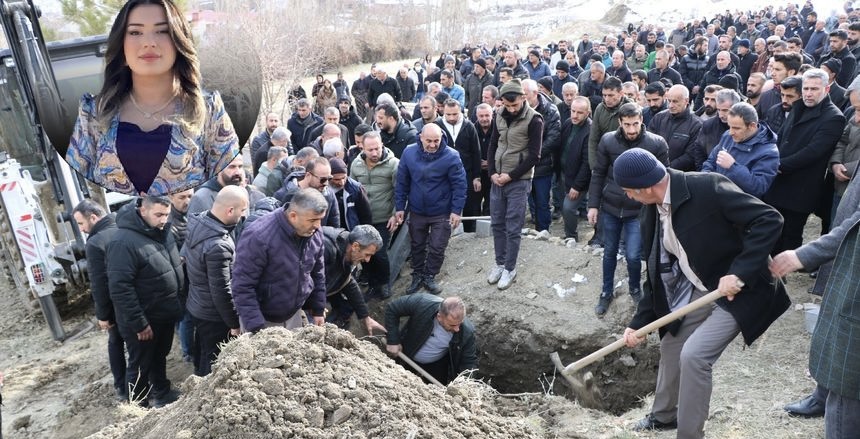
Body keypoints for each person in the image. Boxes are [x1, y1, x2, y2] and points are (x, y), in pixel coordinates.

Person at [615, 148, 788, 438]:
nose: (628, 197)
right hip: (702, 287)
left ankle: (689, 434)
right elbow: (655, 274)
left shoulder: (707, 187)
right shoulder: (651, 212)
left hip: (741, 292)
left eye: (628, 191)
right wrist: (639, 322)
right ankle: (664, 416)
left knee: (694, 356)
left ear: (644, 187)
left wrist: (740, 272)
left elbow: (769, 219)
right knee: (672, 342)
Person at [65, 0, 239, 196]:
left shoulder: (207, 109)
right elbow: (77, 185)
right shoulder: (94, 112)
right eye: (135, 32)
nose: (149, 42)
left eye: (162, 31)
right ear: (121, 46)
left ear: (178, 41)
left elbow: (229, 182)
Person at [770, 161, 860, 431]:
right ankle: (822, 395)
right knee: (835, 336)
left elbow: (855, 225)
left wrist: (804, 255)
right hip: (844, 258)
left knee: (846, 366)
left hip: (853, 266)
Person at [588, 103, 669, 316]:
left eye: (635, 124)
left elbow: (665, 179)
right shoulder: (608, 141)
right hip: (610, 207)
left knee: (633, 255)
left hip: (638, 210)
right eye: (627, 125)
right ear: (620, 123)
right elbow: (598, 173)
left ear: (641, 120)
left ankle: (634, 288)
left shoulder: (656, 143)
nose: (631, 129)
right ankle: (606, 291)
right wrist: (593, 205)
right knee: (609, 252)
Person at [107, 196, 183, 407]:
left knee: (159, 355)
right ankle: (138, 407)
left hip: (163, 312)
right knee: (140, 364)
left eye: (167, 215)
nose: (163, 220)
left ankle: (161, 392)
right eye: (158, 215)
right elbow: (120, 288)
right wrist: (139, 323)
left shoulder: (162, 232)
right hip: (143, 319)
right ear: (142, 211)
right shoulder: (122, 242)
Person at [764, 69, 846, 255]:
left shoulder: (834, 117)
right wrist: (772, 160)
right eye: (806, 88)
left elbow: (814, 152)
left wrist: (779, 165)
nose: (809, 93)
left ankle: (784, 272)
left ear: (826, 89)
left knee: (790, 236)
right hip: (778, 181)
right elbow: (781, 137)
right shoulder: (797, 106)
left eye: (814, 89)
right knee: (772, 232)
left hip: (801, 187)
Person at [231, 188, 328, 332]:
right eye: (313, 220)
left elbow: (317, 272)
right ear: (293, 215)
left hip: (294, 314)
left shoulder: (314, 232)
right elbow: (242, 286)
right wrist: (257, 328)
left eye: (320, 219)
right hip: (262, 319)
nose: (318, 225)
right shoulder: (259, 236)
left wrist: (318, 308)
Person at [181, 186, 248, 376]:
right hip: (214, 314)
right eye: (242, 210)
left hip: (197, 304)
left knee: (203, 348)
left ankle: (197, 378)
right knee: (214, 361)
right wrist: (234, 323)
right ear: (230, 210)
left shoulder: (199, 222)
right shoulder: (218, 245)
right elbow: (221, 291)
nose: (244, 216)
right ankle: (203, 387)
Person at [395, 124, 467, 295]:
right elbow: (402, 182)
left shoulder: (451, 156)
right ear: (421, 137)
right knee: (417, 245)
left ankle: (430, 275)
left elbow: (460, 185)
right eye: (429, 141)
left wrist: (456, 210)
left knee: (437, 246)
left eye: (436, 141)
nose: (433, 145)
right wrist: (400, 207)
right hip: (417, 210)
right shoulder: (409, 153)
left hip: (441, 211)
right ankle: (417, 274)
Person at [486, 79, 543, 290]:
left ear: (523, 98)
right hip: (497, 179)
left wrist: (510, 176)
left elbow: (535, 155)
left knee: (513, 225)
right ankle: (500, 263)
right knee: (497, 223)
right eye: (507, 105)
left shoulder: (534, 120)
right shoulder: (498, 115)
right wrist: (492, 173)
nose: (511, 109)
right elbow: (493, 144)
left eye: (515, 105)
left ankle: (510, 268)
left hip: (519, 180)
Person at [73, 200, 126, 401]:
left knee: (116, 342)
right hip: (135, 300)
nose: (81, 229)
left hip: (116, 305)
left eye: (81, 223)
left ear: (93, 218)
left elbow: (99, 284)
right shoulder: (123, 227)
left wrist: (103, 316)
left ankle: (123, 387)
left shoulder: (95, 243)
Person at [384, 294, 477, 385]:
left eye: (459, 323)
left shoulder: (466, 332)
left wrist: (465, 384)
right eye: (452, 325)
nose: (457, 329)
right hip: (408, 354)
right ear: (439, 317)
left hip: (437, 364)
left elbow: (469, 361)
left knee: (437, 390)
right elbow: (393, 308)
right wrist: (393, 340)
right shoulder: (423, 304)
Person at [701, 102, 779, 197]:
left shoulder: (769, 152)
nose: (731, 132)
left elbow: (759, 188)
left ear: (752, 126)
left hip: (740, 203)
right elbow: (710, 162)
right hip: (716, 197)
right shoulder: (727, 136)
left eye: (736, 128)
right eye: (729, 126)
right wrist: (706, 180)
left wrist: (733, 167)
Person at [321, 225, 387, 332]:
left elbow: (348, 282)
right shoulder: (326, 248)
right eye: (367, 254)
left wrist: (365, 316)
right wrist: (316, 305)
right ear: (355, 246)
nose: (368, 260)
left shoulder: (347, 252)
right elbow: (304, 280)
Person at [559, 97, 592, 241]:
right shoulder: (568, 123)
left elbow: (587, 163)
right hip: (564, 173)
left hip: (579, 179)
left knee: (568, 208)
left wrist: (577, 186)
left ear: (587, 113)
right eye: (573, 111)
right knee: (563, 206)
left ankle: (572, 236)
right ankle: (569, 235)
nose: (575, 115)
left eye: (579, 112)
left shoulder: (590, 130)